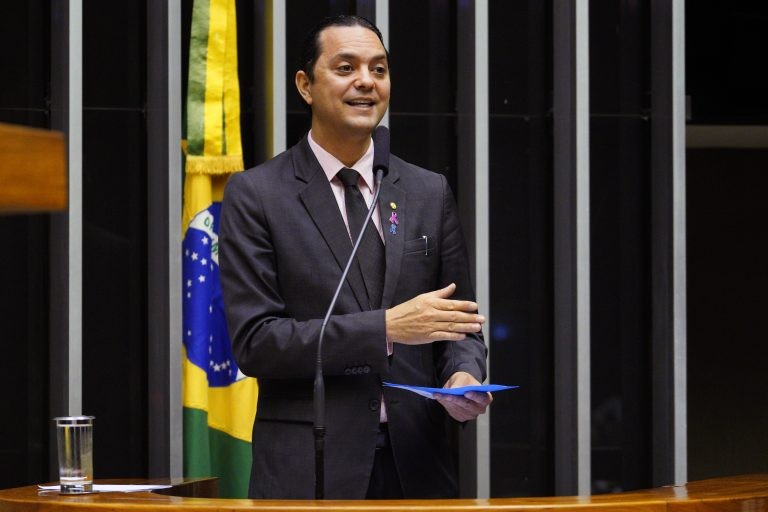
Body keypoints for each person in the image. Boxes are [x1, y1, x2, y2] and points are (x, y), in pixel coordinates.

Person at [219, 14, 490, 500]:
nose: (366, 81)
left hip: (418, 463)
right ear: (305, 85)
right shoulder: (257, 194)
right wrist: (384, 328)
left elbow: (460, 322)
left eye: (379, 69)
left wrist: (462, 374)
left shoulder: (427, 191)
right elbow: (257, 342)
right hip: (311, 465)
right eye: (346, 67)